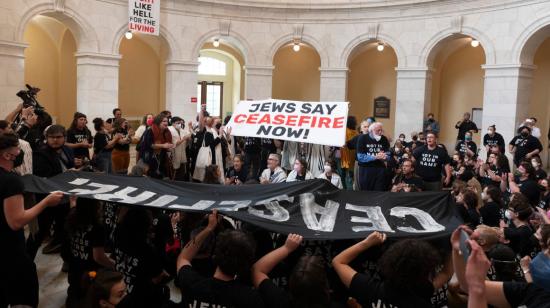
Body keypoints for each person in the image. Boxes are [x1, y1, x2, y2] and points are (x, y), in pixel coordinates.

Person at [0, 132, 64, 307]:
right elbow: (16, 221)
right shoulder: (11, 181)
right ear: (8, 154)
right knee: (23, 291)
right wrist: (46, 202)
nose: (21, 152)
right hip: (9, 247)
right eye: (18, 149)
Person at [333, 232, 448, 307]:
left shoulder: (372, 290)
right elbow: (446, 273)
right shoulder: (423, 298)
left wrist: (367, 243)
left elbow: (338, 262)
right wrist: (453, 246)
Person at [176, 210, 264, 308]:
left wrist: (209, 228)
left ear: (215, 255)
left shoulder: (192, 283)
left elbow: (183, 257)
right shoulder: (250, 299)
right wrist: (285, 248)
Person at [450, 226, 550, 308]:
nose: (544, 253)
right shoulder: (532, 293)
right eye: (546, 248)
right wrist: (459, 250)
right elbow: (469, 286)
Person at [30, 125, 77, 257]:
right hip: (48, 199)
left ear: (64, 138)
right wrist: (68, 173)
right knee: (40, 231)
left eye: (58, 137)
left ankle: (67, 260)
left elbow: (70, 165)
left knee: (66, 230)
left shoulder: (67, 150)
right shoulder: (40, 153)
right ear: (46, 138)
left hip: (65, 197)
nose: (55, 140)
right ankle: (27, 260)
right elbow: (44, 177)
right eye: (52, 137)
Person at [65, 197, 114, 308]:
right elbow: (98, 257)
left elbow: (72, 204)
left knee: (74, 291)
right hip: (90, 273)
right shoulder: (97, 227)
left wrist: (73, 198)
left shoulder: (72, 216)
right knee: (89, 297)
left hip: (74, 267)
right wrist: (115, 265)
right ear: (95, 207)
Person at [114, 208, 169, 307]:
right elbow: (157, 277)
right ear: (144, 226)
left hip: (121, 285)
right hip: (140, 296)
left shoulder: (117, 235)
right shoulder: (147, 250)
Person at [346, 122, 390, 191]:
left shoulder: (384, 139)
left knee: (379, 191)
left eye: (381, 130)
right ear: (371, 131)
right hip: (365, 170)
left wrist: (385, 156)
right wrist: (375, 157)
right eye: (378, 130)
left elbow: (388, 154)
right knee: (365, 192)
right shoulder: (362, 138)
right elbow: (360, 157)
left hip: (380, 169)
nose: (380, 132)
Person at [139, 114, 175, 179]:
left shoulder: (166, 131)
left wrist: (169, 147)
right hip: (149, 157)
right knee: (151, 175)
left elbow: (166, 144)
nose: (166, 123)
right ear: (158, 122)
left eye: (167, 121)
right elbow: (150, 145)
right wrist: (164, 145)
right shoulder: (150, 130)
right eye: (164, 121)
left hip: (161, 157)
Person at [524, 224, 550, 291]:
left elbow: (534, 290)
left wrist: (526, 270)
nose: (534, 235)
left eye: (537, 234)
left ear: (541, 241)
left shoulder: (536, 263)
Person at [169, 116, 191, 181]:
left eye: (180, 123)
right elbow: (174, 144)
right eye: (177, 123)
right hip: (173, 153)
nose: (179, 125)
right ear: (172, 123)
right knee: (174, 172)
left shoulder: (182, 130)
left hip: (182, 153)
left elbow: (189, 136)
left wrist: (189, 138)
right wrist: (184, 138)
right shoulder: (169, 130)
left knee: (181, 172)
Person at [339, 116, 358, 189]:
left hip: (346, 156)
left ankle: (346, 189)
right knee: (349, 175)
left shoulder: (345, 131)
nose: (356, 123)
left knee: (344, 175)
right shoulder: (355, 132)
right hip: (350, 156)